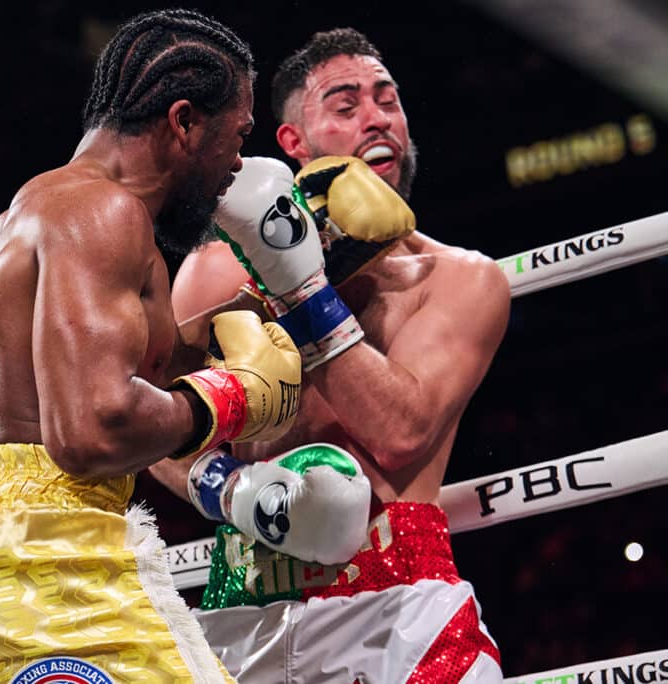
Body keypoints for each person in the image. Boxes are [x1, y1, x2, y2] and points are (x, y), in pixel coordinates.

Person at [0, 9, 308, 683]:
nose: (240, 165)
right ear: (185, 121)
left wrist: (287, 290)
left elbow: (124, 372)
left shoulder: (42, 213)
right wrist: (232, 399)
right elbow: (92, 430)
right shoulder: (104, 212)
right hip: (41, 559)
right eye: (239, 135)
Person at [151, 28, 510, 682]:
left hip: (400, 613)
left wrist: (300, 287)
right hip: (242, 614)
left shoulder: (460, 279)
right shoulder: (213, 273)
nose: (378, 119)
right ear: (293, 144)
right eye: (345, 107)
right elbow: (154, 423)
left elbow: (401, 432)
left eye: (388, 101)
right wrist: (230, 490)